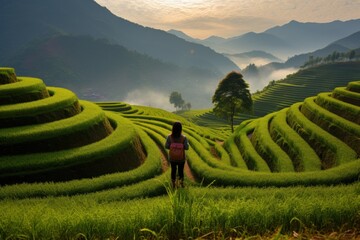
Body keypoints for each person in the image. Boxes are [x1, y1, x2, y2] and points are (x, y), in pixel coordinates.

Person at [165, 121, 189, 188]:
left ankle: (173, 185)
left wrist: (173, 146)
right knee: (181, 171)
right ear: (181, 129)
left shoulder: (169, 137)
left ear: (173, 128)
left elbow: (166, 146)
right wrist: (181, 146)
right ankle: (181, 184)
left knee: (173, 171)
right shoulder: (184, 138)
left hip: (172, 158)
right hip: (181, 158)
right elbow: (187, 147)